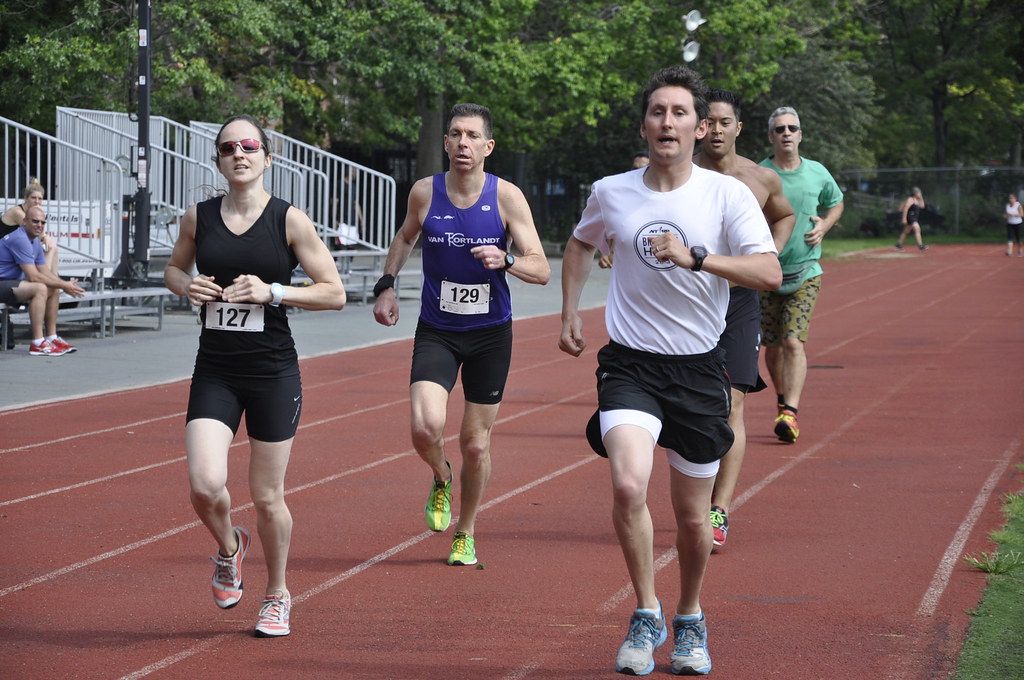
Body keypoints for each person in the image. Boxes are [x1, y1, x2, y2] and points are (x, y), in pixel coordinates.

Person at [560, 66, 781, 676]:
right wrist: (571, 311)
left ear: (700, 127)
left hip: (698, 369)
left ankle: (688, 616)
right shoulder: (612, 190)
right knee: (629, 484)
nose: (668, 122)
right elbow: (580, 242)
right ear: (644, 125)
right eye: (658, 112)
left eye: (680, 113)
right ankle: (646, 610)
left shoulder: (726, 195)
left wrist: (698, 258)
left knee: (692, 521)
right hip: (630, 364)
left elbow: (769, 273)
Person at [163, 114, 346, 638]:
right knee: (204, 484)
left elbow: (333, 292)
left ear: (268, 158)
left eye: (249, 146)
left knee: (267, 496)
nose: (238, 154)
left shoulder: (289, 220)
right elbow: (175, 269)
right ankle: (229, 548)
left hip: (272, 372)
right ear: (217, 160)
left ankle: (278, 594)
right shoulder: (197, 218)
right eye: (227, 148)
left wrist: (275, 292)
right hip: (216, 369)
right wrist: (186, 286)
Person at [372, 102, 550, 567]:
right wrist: (387, 285)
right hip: (438, 330)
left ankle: (465, 533)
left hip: (490, 333)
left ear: (488, 147)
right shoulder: (425, 192)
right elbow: (406, 236)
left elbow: (541, 267)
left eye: (473, 136)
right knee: (425, 426)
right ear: (446, 143)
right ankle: (440, 475)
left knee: (476, 442)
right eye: (455, 135)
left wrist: (506, 260)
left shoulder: (507, 197)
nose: (463, 144)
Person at [693, 88, 795, 548]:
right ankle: (694, 491)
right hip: (689, 302)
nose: (716, 130)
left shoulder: (760, 179)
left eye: (724, 122)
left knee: (733, 402)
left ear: (739, 128)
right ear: (698, 127)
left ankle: (719, 509)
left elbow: (786, 214)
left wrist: (768, 251)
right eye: (708, 121)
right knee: (695, 403)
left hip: (737, 302)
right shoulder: (680, 176)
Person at [758, 107, 844, 444]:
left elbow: (836, 203)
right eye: (780, 129)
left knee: (793, 341)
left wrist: (825, 224)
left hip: (807, 270)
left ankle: (790, 411)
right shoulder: (759, 173)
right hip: (767, 272)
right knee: (773, 345)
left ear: (801, 135)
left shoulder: (817, 173)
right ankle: (784, 405)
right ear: (771, 137)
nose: (787, 133)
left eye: (792, 128)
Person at [0, 205, 86, 355]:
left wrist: (63, 285)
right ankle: (38, 343)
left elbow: (45, 271)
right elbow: (34, 276)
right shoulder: (20, 239)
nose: (39, 225)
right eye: (35, 221)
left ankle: (52, 337)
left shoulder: (34, 241)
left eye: (42, 222)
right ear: (24, 222)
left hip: (12, 284)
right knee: (40, 288)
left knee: (53, 288)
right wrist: (64, 284)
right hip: (3, 284)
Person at [599, 153, 652, 269]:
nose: (638, 171)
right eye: (635, 168)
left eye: (643, 168)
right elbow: (612, 229)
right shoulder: (621, 197)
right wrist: (605, 254)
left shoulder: (661, 200)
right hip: (622, 270)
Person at [895, 187, 928, 251]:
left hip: (914, 217)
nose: (920, 193)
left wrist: (921, 198)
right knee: (917, 228)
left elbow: (922, 206)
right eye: (919, 192)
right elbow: (906, 208)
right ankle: (920, 245)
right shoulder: (910, 199)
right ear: (915, 193)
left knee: (906, 231)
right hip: (910, 217)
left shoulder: (917, 200)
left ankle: (898, 244)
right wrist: (904, 218)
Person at [1005, 192, 1023, 257]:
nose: (1010, 199)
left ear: (1015, 199)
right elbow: (1007, 213)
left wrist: (1015, 215)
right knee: (1009, 237)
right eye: (1009, 198)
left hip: (1017, 223)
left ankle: (1020, 250)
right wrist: (1006, 215)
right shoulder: (1007, 205)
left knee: (1018, 238)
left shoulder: (1018, 205)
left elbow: (1022, 214)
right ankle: (1010, 251)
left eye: (1012, 198)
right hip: (1010, 223)